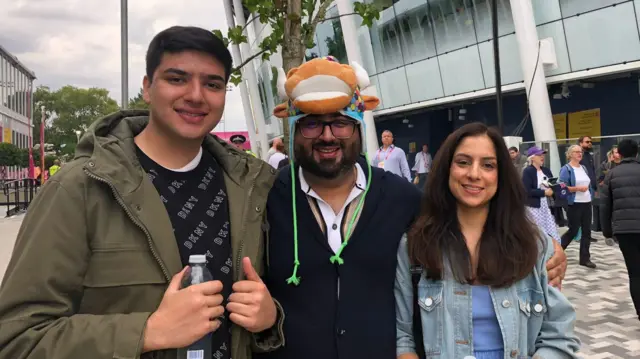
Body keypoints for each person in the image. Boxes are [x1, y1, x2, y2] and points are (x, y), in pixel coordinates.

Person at [0, 26, 284, 359]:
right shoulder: (81, 188)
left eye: (212, 84)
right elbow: (18, 339)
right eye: (177, 79)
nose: (196, 95)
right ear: (147, 88)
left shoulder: (252, 187)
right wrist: (147, 332)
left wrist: (270, 319)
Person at [261, 56, 568, 359]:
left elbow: (466, 220)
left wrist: (548, 249)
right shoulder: (263, 201)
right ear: (293, 130)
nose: (327, 136)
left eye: (341, 123)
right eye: (312, 124)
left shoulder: (403, 199)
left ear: (358, 127)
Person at [396, 123, 580, 359]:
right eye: (463, 162)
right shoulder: (414, 248)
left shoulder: (534, 245)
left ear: (501, 174)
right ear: (446, 169)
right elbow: (403, 337)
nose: (474, 173)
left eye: (488, 165)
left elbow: (559, 334)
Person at [600, 139, 640, 321]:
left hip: (624, 230)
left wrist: (607, 232)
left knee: (634, 272)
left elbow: (605, 206)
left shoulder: (612, 175)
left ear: (620, 154)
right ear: (637, 153)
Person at [560, 144, 596, 269]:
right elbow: (562, 187)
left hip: (586, 202)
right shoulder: (566, 169)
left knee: (587, 231)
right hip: (574, 204)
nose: (579, 154)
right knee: (573, 230)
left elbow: (589, 184)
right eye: (576, 152)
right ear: (570, 154)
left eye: (580, 152)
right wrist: (577, 189)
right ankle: (558, 250)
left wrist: (590, 194)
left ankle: (585, 258)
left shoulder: (584, 168)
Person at [522, 146, 561, 242]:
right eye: (539, 155)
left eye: (543, 154)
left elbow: (553, 185)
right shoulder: (528, 171)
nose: (542, 157)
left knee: (552, 231)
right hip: (534, 207)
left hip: (548, 206)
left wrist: (555, 189)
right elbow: (526, 190)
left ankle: (552, 252)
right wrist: (544, 192)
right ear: (532, 157)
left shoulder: (546, 170)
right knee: (537, 233)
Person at [578, 136, 598, 241]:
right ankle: (579, 235)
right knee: (581, 212)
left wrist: (594, 186)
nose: (589, 143)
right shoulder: (579, 156)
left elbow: (592, 171)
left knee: (588, 213)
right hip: (581, 188)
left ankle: (587, 235)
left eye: (590, 142)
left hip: (591, 187)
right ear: (581, 143)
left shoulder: (589, 156)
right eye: (587, 142)